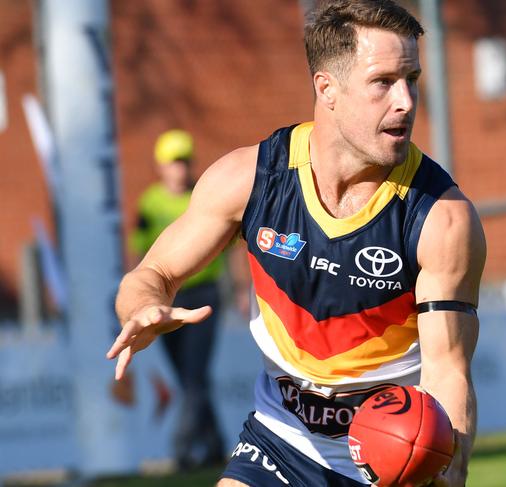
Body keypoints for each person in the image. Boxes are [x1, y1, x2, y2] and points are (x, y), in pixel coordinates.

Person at [107, 1, 486, 486]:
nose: (406, 101)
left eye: (411, 78)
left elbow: (448, 371)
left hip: (388, 456)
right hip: (281, 437)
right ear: (326, 87)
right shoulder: (250, 179)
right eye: (383, 82)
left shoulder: (441, 218)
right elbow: (151, 274)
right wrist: (143, 306)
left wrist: (446, 469)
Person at [129, 129, 229, 470]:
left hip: (204, 296)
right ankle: (215, 444)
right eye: (174, 162)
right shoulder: (150, 203)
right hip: (168, 300)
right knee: (190, 379)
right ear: (161, 166)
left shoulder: (204, 195)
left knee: (193, 375)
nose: (181, 169)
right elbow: (140, 254)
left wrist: (239, 289)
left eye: (185, 161)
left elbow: (229, 246)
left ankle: (184, 449)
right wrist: (140, 298)